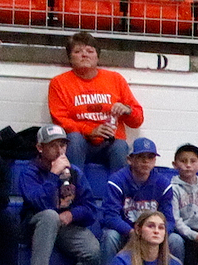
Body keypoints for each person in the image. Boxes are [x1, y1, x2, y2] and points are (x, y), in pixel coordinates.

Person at [18, 125, 102, 265]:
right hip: (36, 224)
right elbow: (39, 203)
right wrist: (53, 175)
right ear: (40, 148)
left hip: (65, 226)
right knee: (50, 215)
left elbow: (90, 209)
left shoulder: (74, 173)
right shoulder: (30, 172)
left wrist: (72, 214)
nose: (59, 151)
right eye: (53, 145)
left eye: (62, 145)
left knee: (93, 253)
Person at [48, 31, 142, 180]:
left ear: (97, 57)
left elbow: (137, 121)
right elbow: (59, 120)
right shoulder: (58, 83)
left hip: (110, 143)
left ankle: (119, 192)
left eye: (90, 51)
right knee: (74, 139)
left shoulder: (115, 79)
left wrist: (127, 110)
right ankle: (72, 188)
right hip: (79, 143)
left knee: (120, 146)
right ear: (70, 58)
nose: (84, 55)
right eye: (78, 51)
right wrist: (89, 131)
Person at [98, 137, 175, 265]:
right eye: (140, 157)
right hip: (125, 232)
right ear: (130, 159)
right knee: (110, 237)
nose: (146, 161)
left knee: (175, 240)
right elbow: (110, 216)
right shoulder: (117, 181)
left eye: (150, 157)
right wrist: (133, 232)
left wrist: (157, 232)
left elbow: (169, 220)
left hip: (152, 232)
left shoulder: (164, 185)